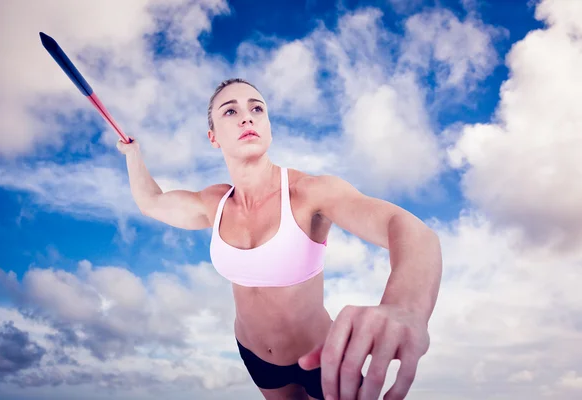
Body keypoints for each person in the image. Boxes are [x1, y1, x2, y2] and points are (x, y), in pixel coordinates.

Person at [117, 78, 442, 400]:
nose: (247, 117)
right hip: (256, 358)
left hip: (322, 359)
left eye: (256, 108)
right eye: (230, 112)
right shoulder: (212, 203)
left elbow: (409, 229)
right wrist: (133, 154)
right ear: (213, 137)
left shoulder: (309, 193)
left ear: (268, 125)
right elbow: (151, 202)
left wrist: (405, 305)